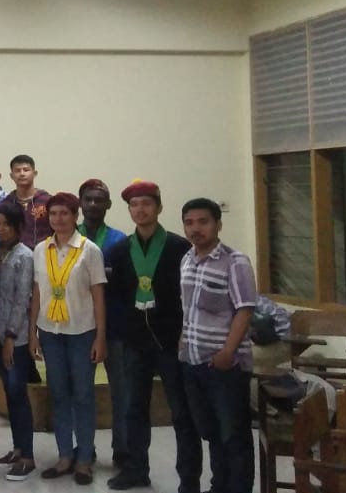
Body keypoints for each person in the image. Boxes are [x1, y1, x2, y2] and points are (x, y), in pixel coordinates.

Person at [105, 180, 200, 492]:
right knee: (133, 408)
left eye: (146, 203)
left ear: (159, 207)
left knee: (181, 412)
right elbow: (117, 296)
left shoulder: (180, 248)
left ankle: (188, 478)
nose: (140, 210)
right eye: (134, 205)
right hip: (134, 342)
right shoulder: (120, 251)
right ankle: (135, 470)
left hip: (171, 340)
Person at [179, 198, 257, 493]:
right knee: (211, 432)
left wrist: (227, 352)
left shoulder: (235, 261)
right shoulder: (187, 260)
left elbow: (245, 309)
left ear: (218, 224)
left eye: (203, 222)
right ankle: (218, 486)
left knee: (233, 435)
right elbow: (188, 310)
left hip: (226, 365)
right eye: (189, 223)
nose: (196, 229)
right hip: (193, 361)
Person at [28, 192, 106, 487]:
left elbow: (98, 296)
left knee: (83, 396)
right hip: (50, 332)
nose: (58, 219)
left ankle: (84, 457)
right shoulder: (40, 249)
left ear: (75, 216)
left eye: (64, 213)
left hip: (82, 332)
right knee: (58, 394)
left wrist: (101, 337)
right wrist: (32, 332)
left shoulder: (89, 250)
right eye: (53, 214)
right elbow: (37, 293)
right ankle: (64, 455)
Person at [75, 179, 129, 470]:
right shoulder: (69, 236)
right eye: (88, 199)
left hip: (116, 324)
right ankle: (85, 447)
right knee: (80, 391)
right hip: (79, 325)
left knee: (121, 391)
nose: (93, 204)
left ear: (108, 204)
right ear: (80, 203)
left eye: (99, 200)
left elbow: (125, 280)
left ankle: (122, 449)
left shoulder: (120, 240)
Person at [0, 201, 38, 481]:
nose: (1, 228)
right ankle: (17, 449)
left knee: (18, 393)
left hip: (14, 337)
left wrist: (10, 336)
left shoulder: (24, 256)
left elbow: (22, 299)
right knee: (9, 393)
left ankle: (27, 456)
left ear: (18, 226)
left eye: (6, 224)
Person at [4, 155, 52, 249]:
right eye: (17, 171)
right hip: (16, 254)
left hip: (45, 252)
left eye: (26, 170)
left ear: (34, 173)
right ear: (11, 176)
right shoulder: (6, 204)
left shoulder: (48, 201)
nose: (22, 174)